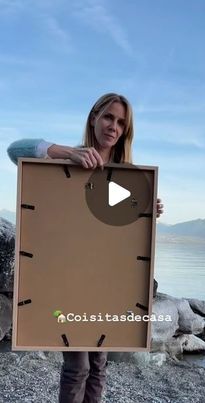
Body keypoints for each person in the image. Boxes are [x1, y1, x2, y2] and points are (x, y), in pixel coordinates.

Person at [7, 93, 164, 403]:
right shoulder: (69, 160)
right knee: (78, 365)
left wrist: (147, 211)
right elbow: (15, 150)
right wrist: (68, 153)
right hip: (70, 281)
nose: (113, 127)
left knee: (99, 365)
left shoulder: (127, 176)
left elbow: (118, 233)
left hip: (104, 283)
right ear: (94, 117)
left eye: (121, 123)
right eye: (108, 117)